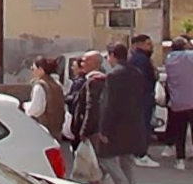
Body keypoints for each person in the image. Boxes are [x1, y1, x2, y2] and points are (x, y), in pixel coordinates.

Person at [97, 42, 148, 184]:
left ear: (113, 55)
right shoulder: (137, 73)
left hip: (116, 126)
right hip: (134, 122)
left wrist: (103, 130)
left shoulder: (113, 75)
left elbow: (108, 104)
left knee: (106, 158)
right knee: (126, 160)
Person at [71, 50, 107, 181]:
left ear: (93, 63)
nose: (82, 64)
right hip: (95, 129)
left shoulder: (95, 81)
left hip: (93, 131)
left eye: (84, 61)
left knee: (94, 166)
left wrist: (84, 131)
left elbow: (91, 108)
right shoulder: (95, 79)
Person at [128, 34, 160, 168]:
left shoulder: (139, 59)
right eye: (148, 44)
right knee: (144, 127)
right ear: (139, 45)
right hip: (143, 98)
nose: (151, 47)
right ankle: (141, 155)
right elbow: (143, 80)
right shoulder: (141, 60)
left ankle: (139, 153)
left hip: (141, 98)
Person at [165, 35, 193, 168]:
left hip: (177, 102)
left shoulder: (169, 59)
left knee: (180, 132)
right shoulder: (189, 56)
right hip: (192, 100)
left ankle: (180, 159)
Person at [24, 56, 65, 142]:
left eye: (33, 68)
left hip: (43, 130)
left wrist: (26, 106)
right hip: (57, 128)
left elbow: (36, 109)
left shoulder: (40, 86)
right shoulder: (57, 84)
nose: (32, 71)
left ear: (40, 69)